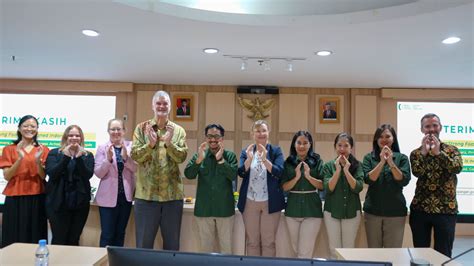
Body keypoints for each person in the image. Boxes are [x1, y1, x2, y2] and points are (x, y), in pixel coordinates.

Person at [131, 90, 188, 250]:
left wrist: (169, 144)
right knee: (143, 245)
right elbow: (135, 155)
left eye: (165, 104)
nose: (161, 106)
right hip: (146, 196)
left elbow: (181, 157)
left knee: (172, 247)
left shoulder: (178, 131)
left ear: (170, 107)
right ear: (153, 106)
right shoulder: (141, 128)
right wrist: (149, 145)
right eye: (158, 103)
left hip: (172, 197)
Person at [409, 113, 463, 257]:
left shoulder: (452, 150)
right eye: (427, 126)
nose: (431, 129)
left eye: (435, 125)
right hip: (420, 208)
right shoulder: (415, 153)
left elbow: (457, 168)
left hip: (446, 209)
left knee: (444, 253)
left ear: (440, 127)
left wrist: (439, 153)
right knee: (420, 254)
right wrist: (424, 153)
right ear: (422, 130)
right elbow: (417, 172)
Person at [184, 124, 238, 254]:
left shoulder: (230, 156)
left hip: (224, 210)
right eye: (210, 136)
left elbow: (232, 175)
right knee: (205, 251)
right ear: (206, 138)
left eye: (216, 136)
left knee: (226, 250)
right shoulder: (200, 155)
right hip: (204, 210)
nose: (213, 139)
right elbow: (188, 174)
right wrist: (198, 160)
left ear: (222, 138)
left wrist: (221, 161)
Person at [237, 120, 285, 257]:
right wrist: (249, 159)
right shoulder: (246, 151)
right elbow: (240, 172)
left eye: (264, 130)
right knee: (252, 242)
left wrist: (264, 159)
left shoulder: (276, 151)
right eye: (257, 131)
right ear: (252, 134)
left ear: (268, 133)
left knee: (268, 242)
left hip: (270, 202)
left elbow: (279, 172)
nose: (261, 133)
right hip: (250, 202)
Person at [0, 115, 49, 248]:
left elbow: (43, 176)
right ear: (19, 128)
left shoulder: (43, 149)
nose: (29, 129)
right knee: (13, 235)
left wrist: (38, 162)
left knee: (35, 235)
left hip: (37, 196)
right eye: (26, 126)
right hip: (14, 197)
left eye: (33, 126)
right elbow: (7, 176)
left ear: (37, 129)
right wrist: (19, 159)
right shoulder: (9, 149)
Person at [362, 124, 411, 248]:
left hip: (395, 212)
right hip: (373, 211)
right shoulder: (369, 158)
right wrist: (382, 162)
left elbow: (403, 180)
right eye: (381, 136)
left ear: (393, 138)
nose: (384, 139)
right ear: (376, 140)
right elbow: (369, 179)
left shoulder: (402, 158)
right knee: (374, 252)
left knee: (393, 252)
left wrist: (390, 162)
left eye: (387, 136)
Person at [45, 125, 94, 245]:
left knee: (74, 238)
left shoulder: (87, 155)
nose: (74, 138)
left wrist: (78, 159)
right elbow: (52, 173)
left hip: (79, 204)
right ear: (65, 137)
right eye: (71, 135)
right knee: (59, 238)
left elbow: (87, 175)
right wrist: (66, 157)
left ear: (81, 138)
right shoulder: (55, 153)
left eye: (77, 135)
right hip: (58, 203)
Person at [94, 118, 137, 247]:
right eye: (113, 129)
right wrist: (107, 160)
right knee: (107, 234)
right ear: (108, 131)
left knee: (120, 233)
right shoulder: (102, 148)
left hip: (125, 198)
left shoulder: (131, 146)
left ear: (124, 131)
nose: (116, 132)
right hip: (107, 199)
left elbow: (135, 168)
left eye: (119, 129)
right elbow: (98, 173)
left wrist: (126, 158)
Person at [281, 131, 324, 258]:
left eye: (305, 143)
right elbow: (284, 187)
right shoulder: (288, 162)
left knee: (304, 251)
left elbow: (322, 186)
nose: (302, 146)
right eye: (299, 143)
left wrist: (309, 177)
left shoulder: (317, 161)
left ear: (310, 145)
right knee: (296, 248)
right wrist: (297, 177)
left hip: (312, 211)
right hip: (292, 210)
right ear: (294, 145)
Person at [322, 132, 363, 259]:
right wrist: (338, 170)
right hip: (331, 212)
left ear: (351, 148)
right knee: (333, 249)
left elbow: (358, 187)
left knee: (348, 249)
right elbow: (328, 188)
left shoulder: (357, 165)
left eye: (346, 146)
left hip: (351, 212)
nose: (342, 149)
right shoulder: (329, 166)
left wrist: (346, 170)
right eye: (339, 145)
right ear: (335, 147)